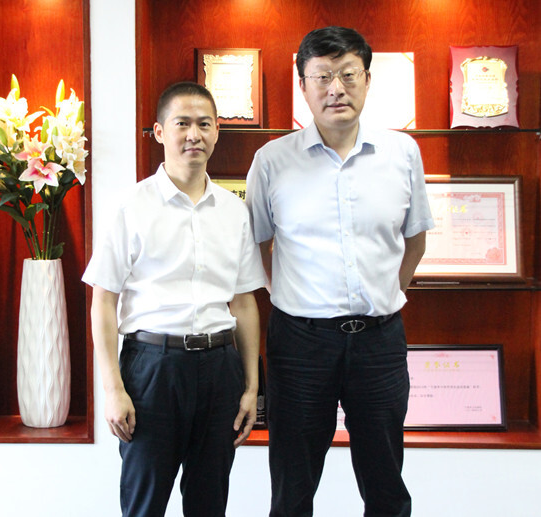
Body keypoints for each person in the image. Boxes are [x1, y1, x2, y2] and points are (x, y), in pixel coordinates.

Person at [246, 26, 434, 517]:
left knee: (385, 483)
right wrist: (294, 296)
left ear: (367, 80)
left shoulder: (402, 153)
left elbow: (415, 240)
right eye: (323, 76)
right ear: (302, 84)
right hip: (300, 344)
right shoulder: (271, 161)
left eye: (349, 75)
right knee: (292, 486)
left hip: (380, 342)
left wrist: (384, 294)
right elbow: (257, 247)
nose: (336, 89)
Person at [83, 81, 266, 517]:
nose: (194, 135)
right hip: (152, 370)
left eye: (204, 124)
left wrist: (251, 386)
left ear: (217, 131)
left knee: (209, 503)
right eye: (182, 123)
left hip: (220, 370)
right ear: (160, 132)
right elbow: (103, 301)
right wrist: (113, 389)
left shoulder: (234, 211)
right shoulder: (131, 206)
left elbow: (243, 303)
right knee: (144, 504)